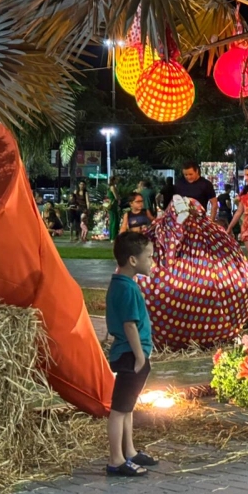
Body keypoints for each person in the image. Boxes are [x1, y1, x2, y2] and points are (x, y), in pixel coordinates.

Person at [105, 232, 156, 477]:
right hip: (130, 354)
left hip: (130, 354)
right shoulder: (126, 289)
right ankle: (116, 460)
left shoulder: (123, 284)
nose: (152, 261)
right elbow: (129, 325)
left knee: (127, 407)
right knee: (119, 410)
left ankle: (130, 451)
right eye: (149, 256)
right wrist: (139, 357)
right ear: (133, 260)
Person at [107, 176, 121, 241]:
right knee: (114, 220)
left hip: (111, 205)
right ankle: (113, 236)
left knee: (112, 220)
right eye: (116, 180)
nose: (117, 181)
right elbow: (116, 197)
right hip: (113, 205)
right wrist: (119, 199)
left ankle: (111, 236)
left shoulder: (109, 187)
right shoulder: (113, 187)